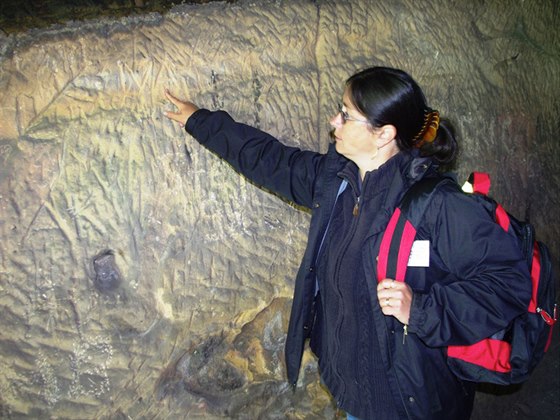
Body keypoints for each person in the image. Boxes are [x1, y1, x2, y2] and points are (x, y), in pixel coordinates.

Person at [164, 66, 531, 420]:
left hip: (410, 401)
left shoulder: (438, 205)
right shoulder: (336, 181)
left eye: (345, 115)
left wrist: (420, 310)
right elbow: (269, 159)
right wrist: (199, 120)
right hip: (353, 390)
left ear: (384, 134)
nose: (333, 122)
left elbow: (510, 282)